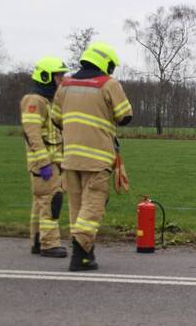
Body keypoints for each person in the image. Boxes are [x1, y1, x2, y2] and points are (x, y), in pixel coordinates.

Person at [51, 41, 132, 271]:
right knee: (93, 206)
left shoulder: (65, 85)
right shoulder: (108, 84)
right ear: (105, 62)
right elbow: (126, 116)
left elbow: (56, 119)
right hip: (97, 158)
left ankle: (84, 257)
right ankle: (80, 249)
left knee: (77, 207)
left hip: (70, 158)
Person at [21, 56, 69, 258]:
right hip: (44, 164)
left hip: (50, 162)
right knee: (51, 201)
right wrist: (44, 163)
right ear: (46, 77)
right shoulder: (34, 101)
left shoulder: (45, 101)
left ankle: (38, 241)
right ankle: (49, 244)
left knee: (40, 202)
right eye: (58, 76)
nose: (61, 80)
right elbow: (32, 134)